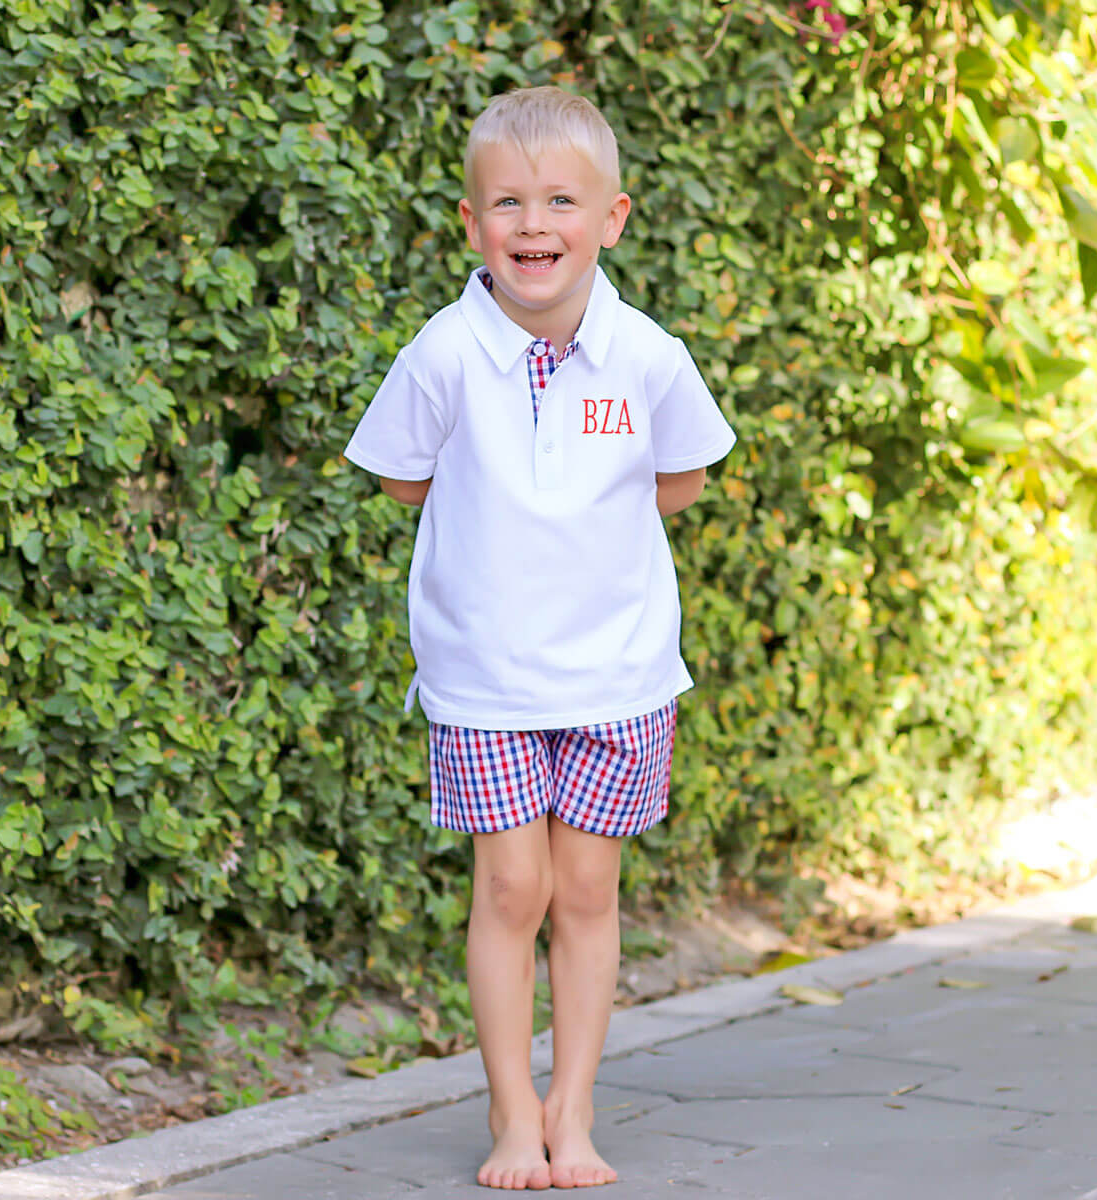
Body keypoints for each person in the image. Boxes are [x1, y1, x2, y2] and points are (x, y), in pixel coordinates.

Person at [344, 86, 736, 1190]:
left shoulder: (648, 356)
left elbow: (682, 480)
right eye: (507, 203)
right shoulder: (443, 353)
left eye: (561, 200)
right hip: (485, 673)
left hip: (618, 673)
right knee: (511, 891)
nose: (533, 224)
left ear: (610, 218)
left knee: (588, 892)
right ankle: (514, 1117)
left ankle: (575, 1108)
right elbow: (401, 478)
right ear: (471, 225)